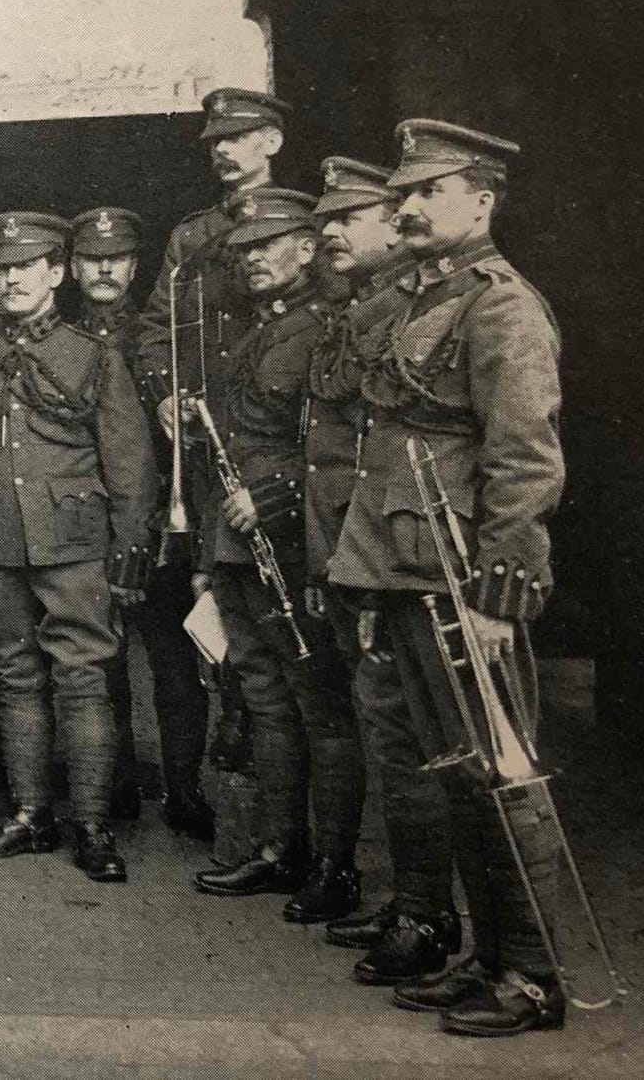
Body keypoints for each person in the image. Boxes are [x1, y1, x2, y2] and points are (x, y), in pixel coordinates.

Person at [326, 120, 566, 1036]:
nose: (408, 206)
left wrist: (503, 587)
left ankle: (535, 978)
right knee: (458, 768)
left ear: (483, 201)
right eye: (405, 193)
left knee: (502, 768)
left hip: (466, 577)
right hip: (407, 566)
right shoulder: (417, 297)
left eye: (430, 191)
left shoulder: (502, 306)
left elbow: (524, 456)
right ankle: (489, 958)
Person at [0, 211, 156, 882]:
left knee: (82, 679)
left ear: (57, 273)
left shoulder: (93, 356)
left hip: (76, 545)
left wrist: (129, 551)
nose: (13, 279)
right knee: (16, 676)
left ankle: (91, 822)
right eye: (2, 269)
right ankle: (29, 815)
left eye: (27, 267)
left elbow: (130, 465)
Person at [183, 190, 365, 926]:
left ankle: (335, 865)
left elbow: (336, 442)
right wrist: (208, 550)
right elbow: (229, 444)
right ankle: (278, 848)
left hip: (293, 538)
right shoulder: (255, 333)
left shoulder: (327, 330)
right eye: (246, 247)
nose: (254, 257)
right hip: (235, 537)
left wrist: (279, 496)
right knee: (263, 695)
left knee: (320, 702)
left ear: (308, 249)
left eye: (271, 243)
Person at [303, 158, 461, 977]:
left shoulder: (420, 311)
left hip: (410, 552)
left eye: (354, 216)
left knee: (431, 744)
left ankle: (432, 915)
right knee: (389, 734)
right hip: (361, 547)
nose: (334, 232)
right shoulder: (361, 310)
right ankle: (415, 904)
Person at [138, 87, 294, 775]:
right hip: (211, 459)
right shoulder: (191, 238)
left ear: (273, 142)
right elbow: (153, 333)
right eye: (215, 143)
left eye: (240, 136)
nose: (225, 151)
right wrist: (165, 392)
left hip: (278, 459)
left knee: (288, 642)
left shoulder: (302, 224)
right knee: (225, 629)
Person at [66, 206, 212, 837]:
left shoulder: (166, 338)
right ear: (70, 269)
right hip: (87, 522)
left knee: (174, 658)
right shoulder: (62, 339)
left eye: (117, 259)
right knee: (104, 658)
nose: (104, 269)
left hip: (161, 518)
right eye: (91, 259)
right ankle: (118, 778)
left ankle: (184, 788)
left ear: (135, 266)